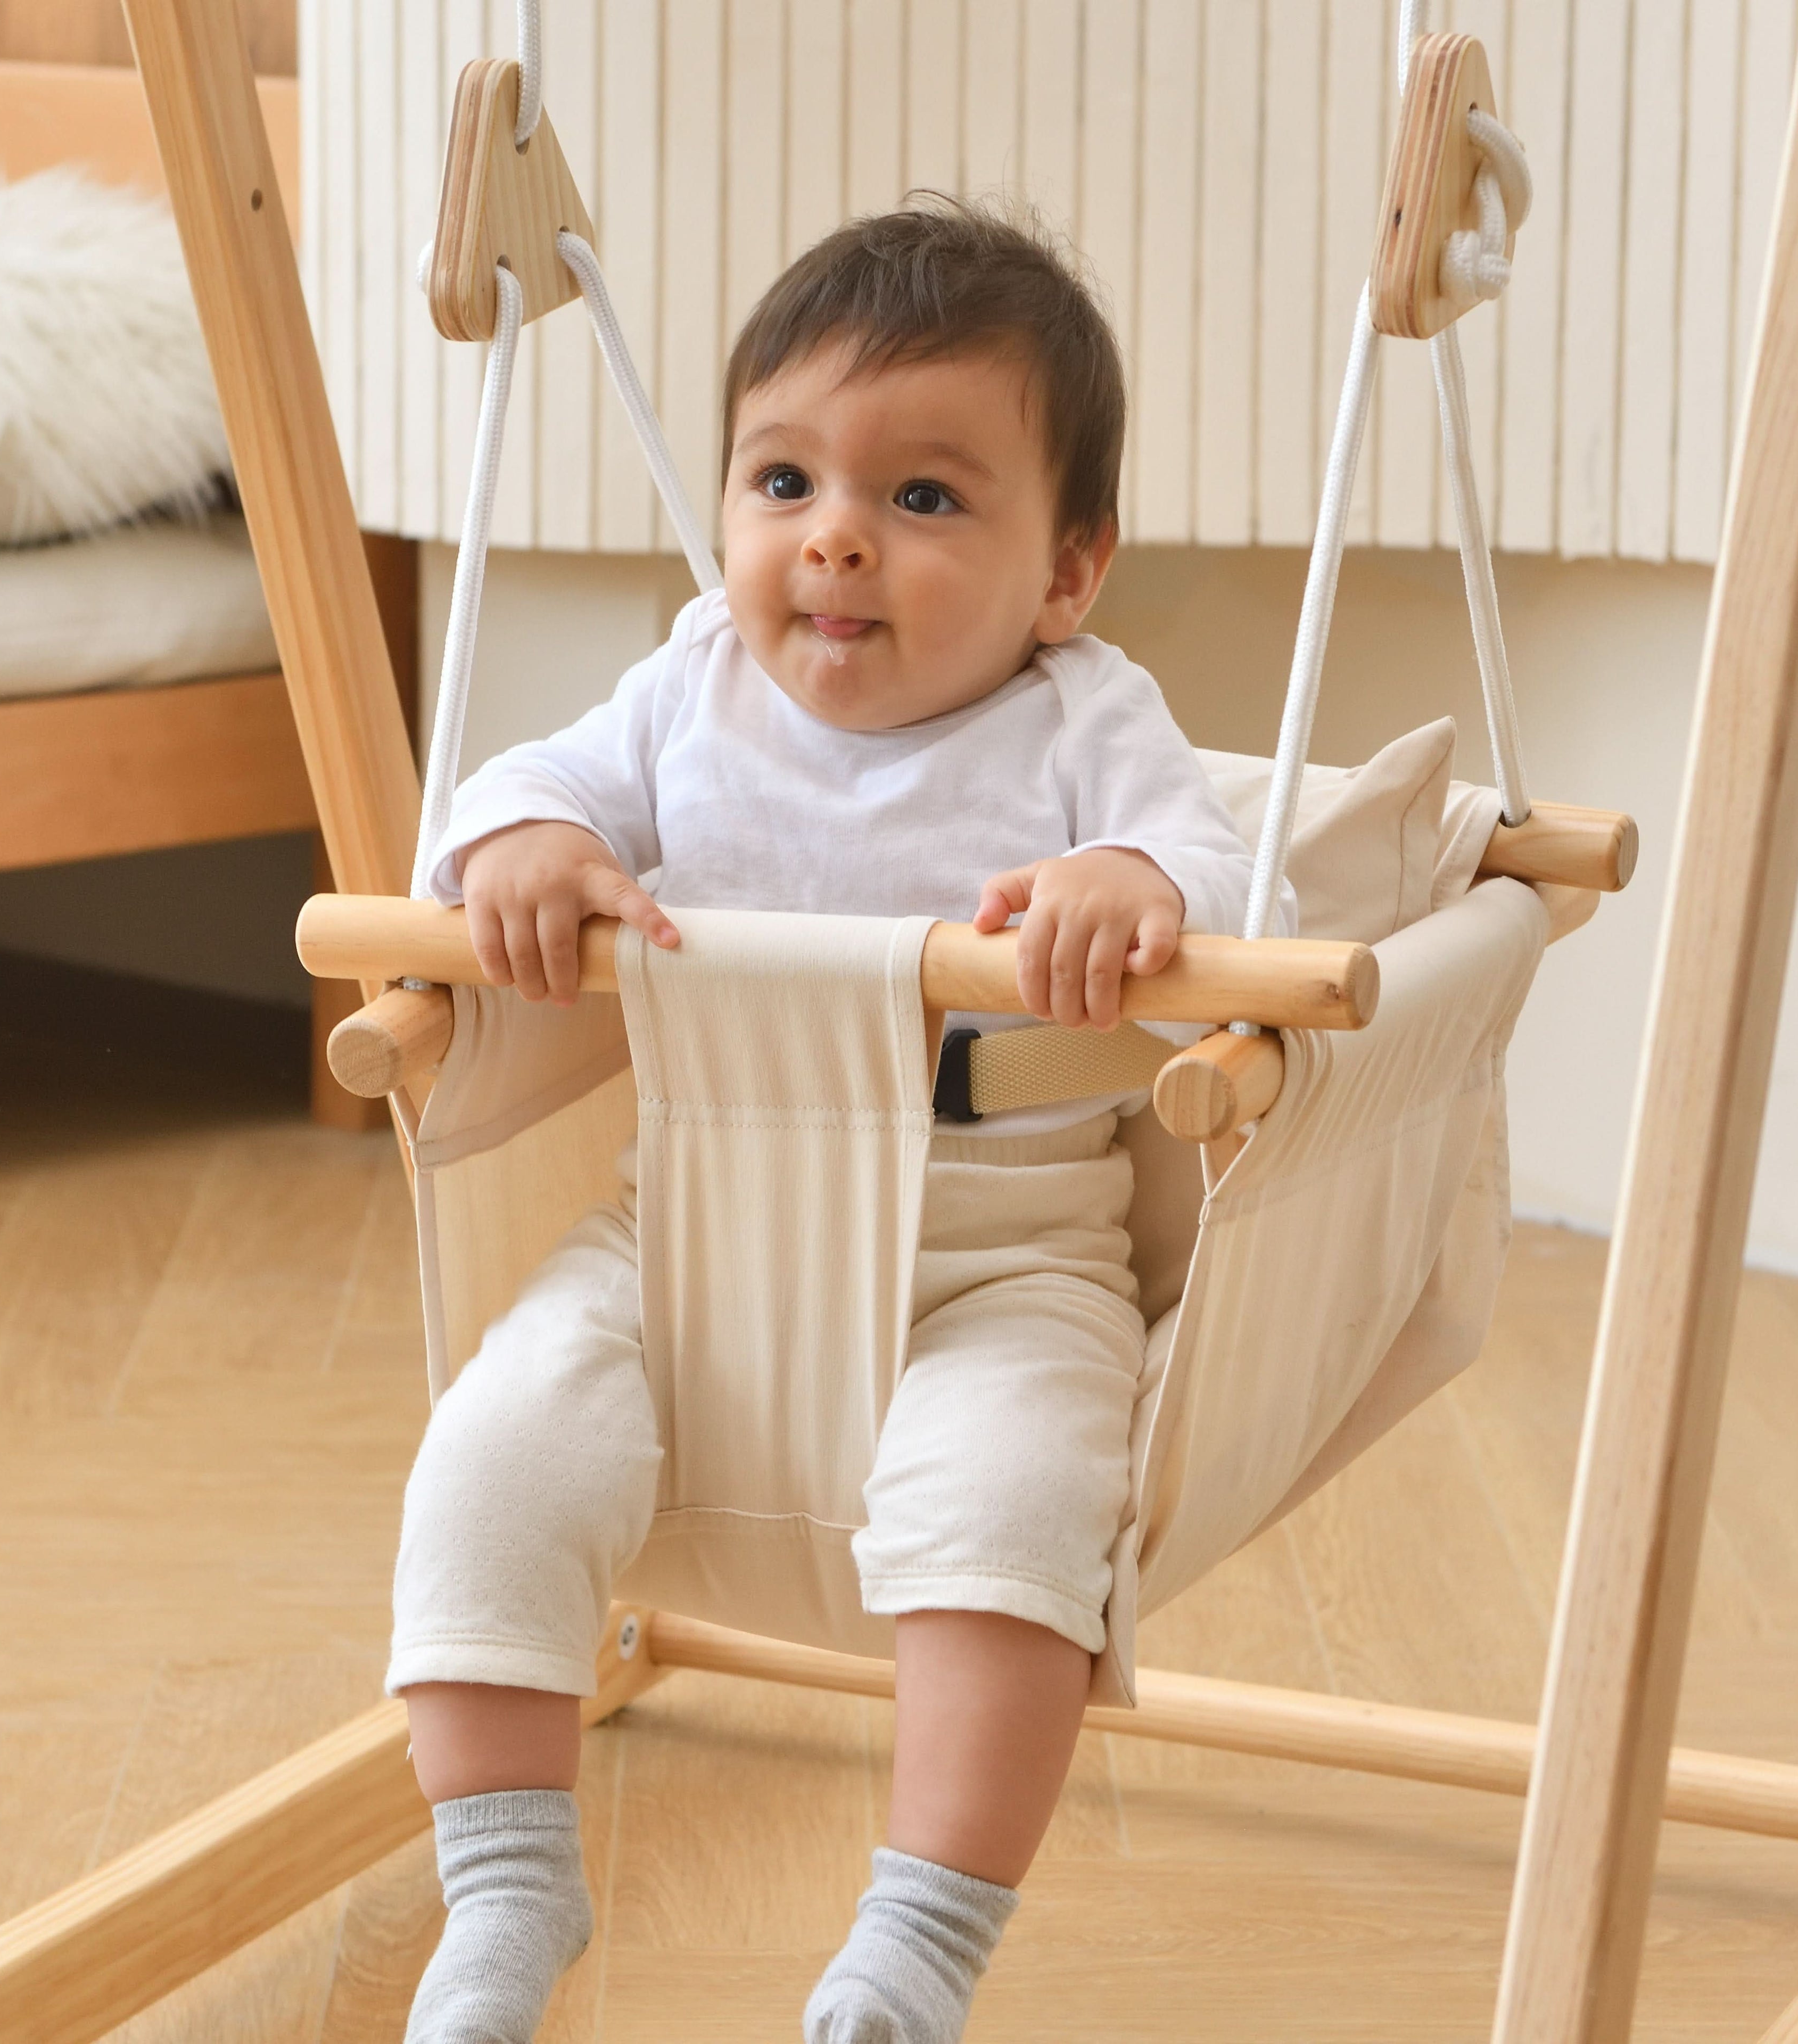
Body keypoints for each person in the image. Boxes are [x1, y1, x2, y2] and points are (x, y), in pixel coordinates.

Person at [391, 200, 1281, 2043]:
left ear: (1068, 570)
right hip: (695, 1234)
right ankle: (505, 1890)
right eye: (782, 480)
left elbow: (1205, 854)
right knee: (492, 1456)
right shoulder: (688, 694)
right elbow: (515, 785)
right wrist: (534, 845)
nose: (837, 539)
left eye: (926, 500)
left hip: (1006, 1258)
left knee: (1018, 1522)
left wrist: (1132, 878)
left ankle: (917, 1947)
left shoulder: (1083, 719)